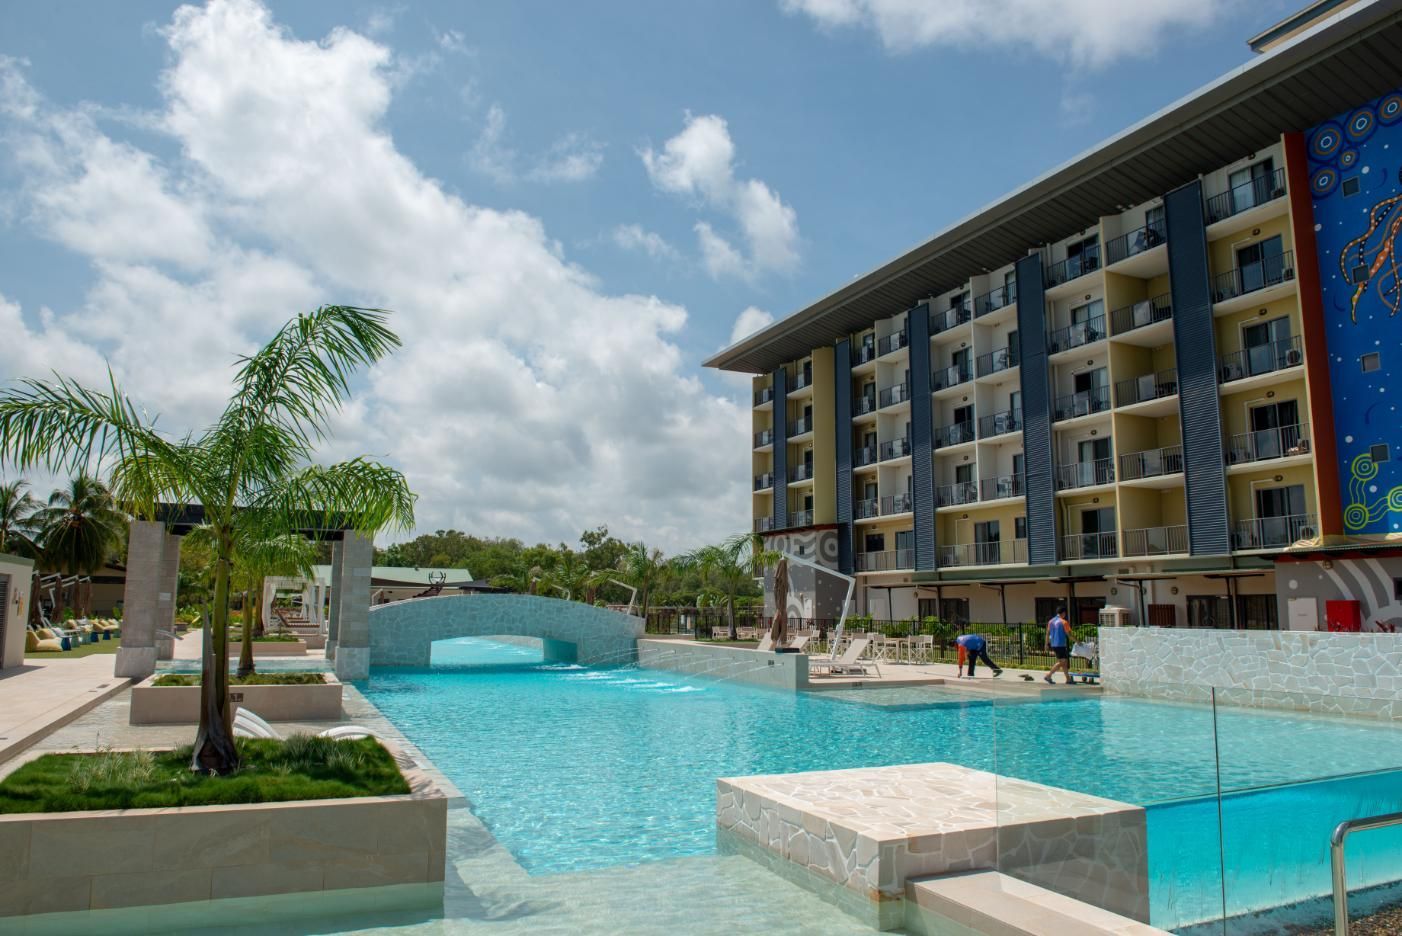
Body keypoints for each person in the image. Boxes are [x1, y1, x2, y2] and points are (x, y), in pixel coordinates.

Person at [1045, 606, 1073, 685]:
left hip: (1054, 644)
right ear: (1063, 613)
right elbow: (1069, 635)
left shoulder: (1051, 621)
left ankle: (1068, 679)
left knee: (1064, 662)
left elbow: (1047, 634)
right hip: (1060, 645)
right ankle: (1048, 675)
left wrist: (1046, 644)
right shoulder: (1064, 622)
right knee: (1062, 662)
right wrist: (1077, 641)